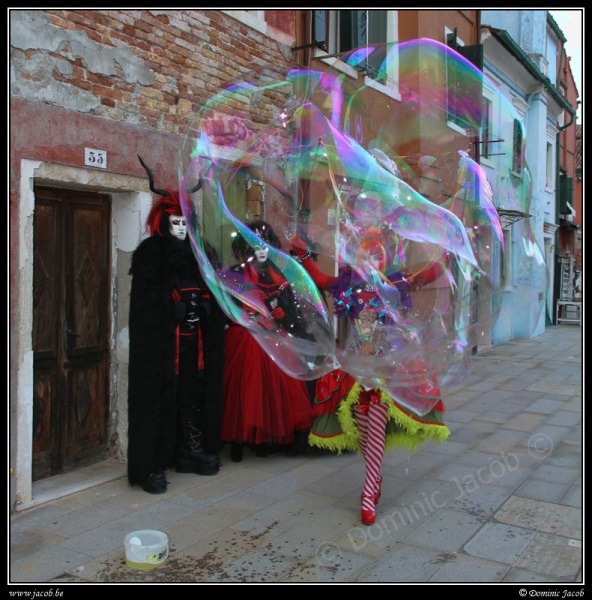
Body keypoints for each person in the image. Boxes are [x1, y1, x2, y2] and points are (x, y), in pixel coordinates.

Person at [290, 227, 450, 525]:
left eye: (378, 254)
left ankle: (368, 491)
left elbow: (427, 276)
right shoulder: (347, 285)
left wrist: (444, 251)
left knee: (375, 416)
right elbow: (321, 280)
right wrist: (302, 253)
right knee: (364, 427)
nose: (373, 259)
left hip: (387, 366)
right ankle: (374, 481)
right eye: (367, 254)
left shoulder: (395, 285)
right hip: (356, 366)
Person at [127, 156, 225, 494]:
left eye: (185, 223)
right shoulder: (151, 257)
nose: (181, 229)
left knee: (192, 395)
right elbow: (145, 306)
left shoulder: (202, 255)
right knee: (159, 399)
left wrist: (209, 307)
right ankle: (153, 462)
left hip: (195, 344)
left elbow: (214, 290)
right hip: (165, 348)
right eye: (175, 223)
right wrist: (173, 309)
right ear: (164, 224)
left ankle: (190, 448)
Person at [221, 220, 313, 461]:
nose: (261, 250)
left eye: (265, 245)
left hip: (273, 334)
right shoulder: (236, 274)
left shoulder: (278, 275)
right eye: (255, 245)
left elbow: (290, 309)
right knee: (245, 385)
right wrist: (245, 316)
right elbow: (228, 305)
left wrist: (280, 317)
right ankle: (240, 439)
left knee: (275, 384)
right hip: (245, 335)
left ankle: (266, 438)